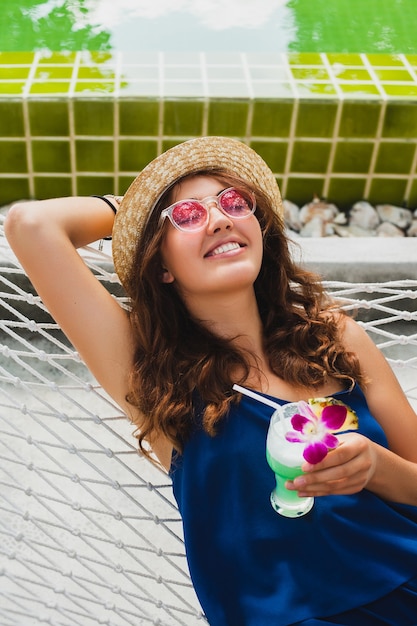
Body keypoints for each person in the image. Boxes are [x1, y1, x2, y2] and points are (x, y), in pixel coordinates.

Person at [4, 136, 417, 626]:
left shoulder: (336, 338)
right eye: (187, 217)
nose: (220, 218)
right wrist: (139, 207)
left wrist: (374, 468)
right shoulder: (158, 380)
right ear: (161, 267)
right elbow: (30, 226)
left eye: (234, 203)